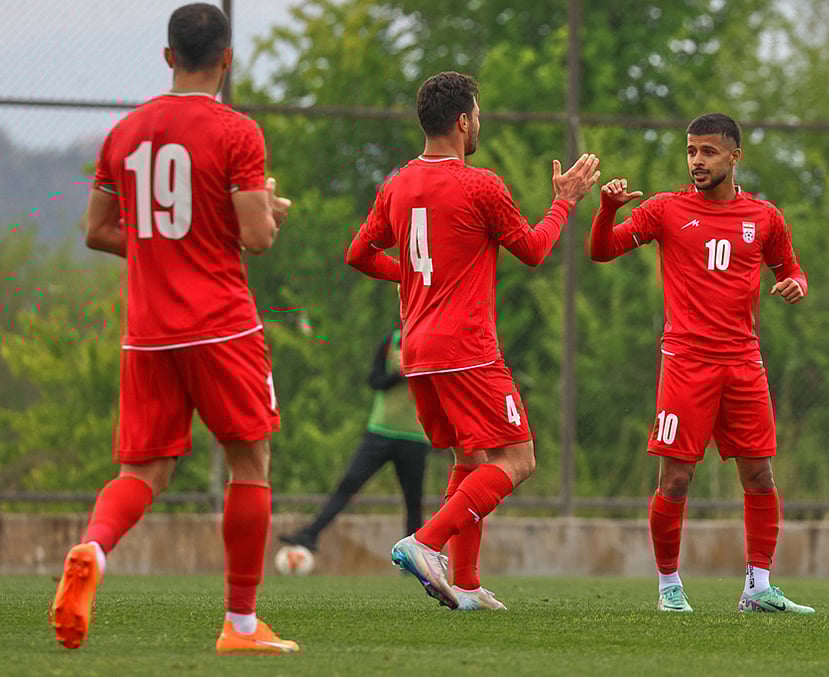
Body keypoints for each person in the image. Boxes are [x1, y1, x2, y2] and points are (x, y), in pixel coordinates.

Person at [49, 3, 299, 654]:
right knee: (250, 461)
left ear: (167, 57)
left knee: (144, 470)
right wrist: (269, 211)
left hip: (148, 331)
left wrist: (168, 246)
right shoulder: (237, 132)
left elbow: (98, 230)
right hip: (221, 326)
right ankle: (241, 625)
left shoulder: (125, 133)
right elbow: (255, 236)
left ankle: (94, 549)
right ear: (228, 58)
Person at [345, 71, 600, 611]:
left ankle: (464, 583)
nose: (479, 122)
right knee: (518, 460)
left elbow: (359, 255)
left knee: (471, 455)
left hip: (416, 350)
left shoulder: (395, 185)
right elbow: (533, 250)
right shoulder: (481, 185)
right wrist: (564, 203)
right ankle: (424, 542)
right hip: (466, 347)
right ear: (463, 122)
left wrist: (417, 279)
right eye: (478, 114)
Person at [589, 113, 815, 614]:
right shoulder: (666, 210)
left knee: (760, 477)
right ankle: (669, 586)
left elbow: (790, 267)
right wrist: (605, 211)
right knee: (675, 479)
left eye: (708, 152)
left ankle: (758, 587)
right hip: (686, 362)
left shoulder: (765, 217)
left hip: (743, 363)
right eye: (691, 151)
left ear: (734, 157)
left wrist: (797, 283)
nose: (696, 161)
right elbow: (601, 250)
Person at [280, 325, 432, 552]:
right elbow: (374, 381)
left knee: (413, 502)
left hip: (415, 438)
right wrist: (397, 374)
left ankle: (415, 560)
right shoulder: (391, 340)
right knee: (348, 484)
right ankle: (310, 534)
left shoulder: (432, 343)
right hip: (379, 433)